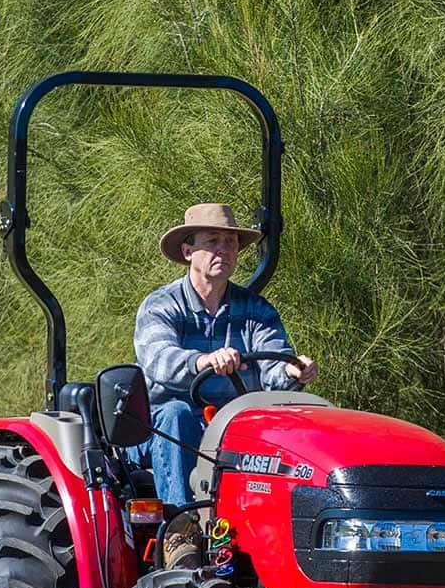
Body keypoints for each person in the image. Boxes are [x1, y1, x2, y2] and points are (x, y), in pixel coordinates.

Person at [133, 203, 317, 529]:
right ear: (189, 251)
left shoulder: (255, 309)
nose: (224, 250)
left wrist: (291, 372)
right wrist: (203, 360)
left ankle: (277, 532)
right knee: (176, 414)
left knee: (282, 424)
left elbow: (273, 362)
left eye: (230, 243)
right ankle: (181, 530)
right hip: (165, 430)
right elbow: (158, 360)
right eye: (213, 241)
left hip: (231, 426)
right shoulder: (161, 305)